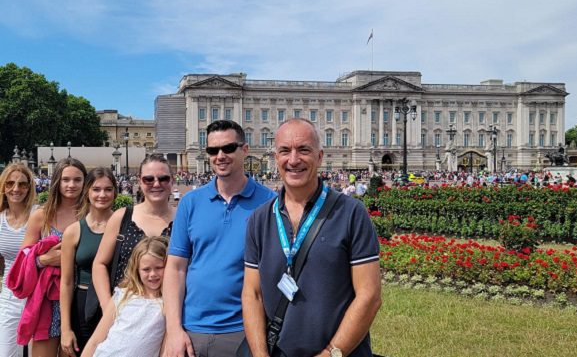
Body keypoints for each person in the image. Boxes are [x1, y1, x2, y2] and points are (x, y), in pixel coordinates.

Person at [242, 118, 382, 357]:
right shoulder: (260, 218)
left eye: (304, 150)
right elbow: (252, 294)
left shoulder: (351, 213)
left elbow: (369, 296)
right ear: (276, 158)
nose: (293, 159)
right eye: (285, 151)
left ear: (319, 156)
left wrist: (330, 354)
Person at [163, 120, 276, 356]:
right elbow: (176, 268)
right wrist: (174, 329)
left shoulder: (270, 202)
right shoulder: (190, 202)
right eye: (213, 150)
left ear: (244, 150)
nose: (220, 156)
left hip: (244, 329)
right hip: (192, 327)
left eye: (228, 148)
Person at [19, 157, 87, 357]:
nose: (71, 185)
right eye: (66, 179)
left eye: (77, 180)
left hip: (78, 298)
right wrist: (44, 260)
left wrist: (69, 259)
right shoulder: (42, 215)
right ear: (57, 181)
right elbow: (23, 259)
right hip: (46, 300)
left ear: (85, 182)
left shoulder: (90, 214)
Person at [92, 154, 175, 313]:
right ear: (139, 181)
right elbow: (100, 264)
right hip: (125, 310)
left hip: (169, 310)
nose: (156, 184)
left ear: (172, 180)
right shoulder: (122, 217)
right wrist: (108, 306)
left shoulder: (183, 219)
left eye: (163, 178)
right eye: (148, 179)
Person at [60, 168, 117, 356]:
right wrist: (66, 328)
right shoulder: (74, 231)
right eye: (96, 189)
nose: (102, 195)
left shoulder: (125, 226)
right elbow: (67, 282)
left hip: (116, 302)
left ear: (115, 192)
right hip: (83, 305)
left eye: (108, 189)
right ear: (87, 192)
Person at [81, 236, 168, 357]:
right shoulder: (123, 295)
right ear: (137, 270)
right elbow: (95, 341)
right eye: (146, 269)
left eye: (158, 268)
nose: (153, 274)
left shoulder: (167, 303)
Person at [0, 164, 37, 357]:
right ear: (3, 186)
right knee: (6, 353)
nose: (16, 189)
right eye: (10, 183)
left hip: (38, 294)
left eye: (22, 184)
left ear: (29, 187)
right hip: (10, 295)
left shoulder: (38, 215)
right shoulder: (0, 220)